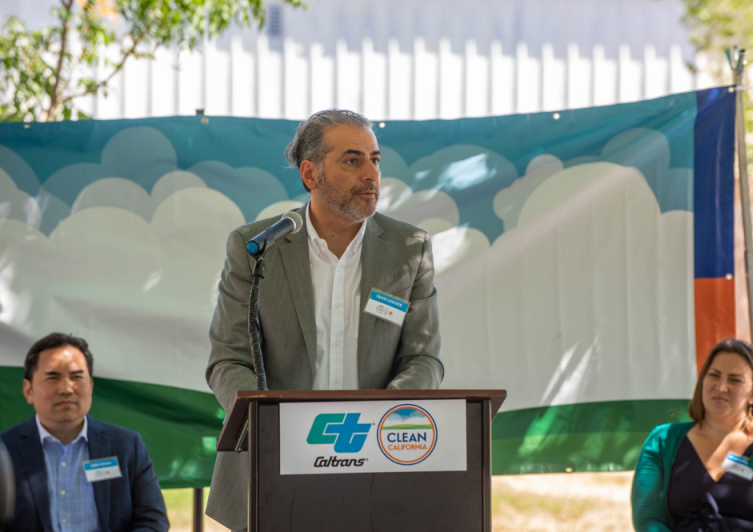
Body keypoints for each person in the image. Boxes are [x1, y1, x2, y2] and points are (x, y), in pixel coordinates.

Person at [205, 109, 444, 530]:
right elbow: (228, 360)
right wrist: (269, 427)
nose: (371, 173)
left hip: (377, 468)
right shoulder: (257, 247)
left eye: (375, 158)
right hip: (272, 468)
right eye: (353, 160)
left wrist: (381, 428)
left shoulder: (409, 249)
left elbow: (423, 360)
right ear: (311, 174)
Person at [0, 333, 169, 532]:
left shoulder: (126, 446)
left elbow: (153, 521)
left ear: (91, 386)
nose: (66, 388)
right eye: (52, 378)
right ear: (28, 390)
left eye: (77, 377)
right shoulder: (5, 451)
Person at [631, 338, 753, 531]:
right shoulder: (662, 441)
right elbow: (648, 521)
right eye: (714, 375)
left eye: (735, 380)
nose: (720, 387)